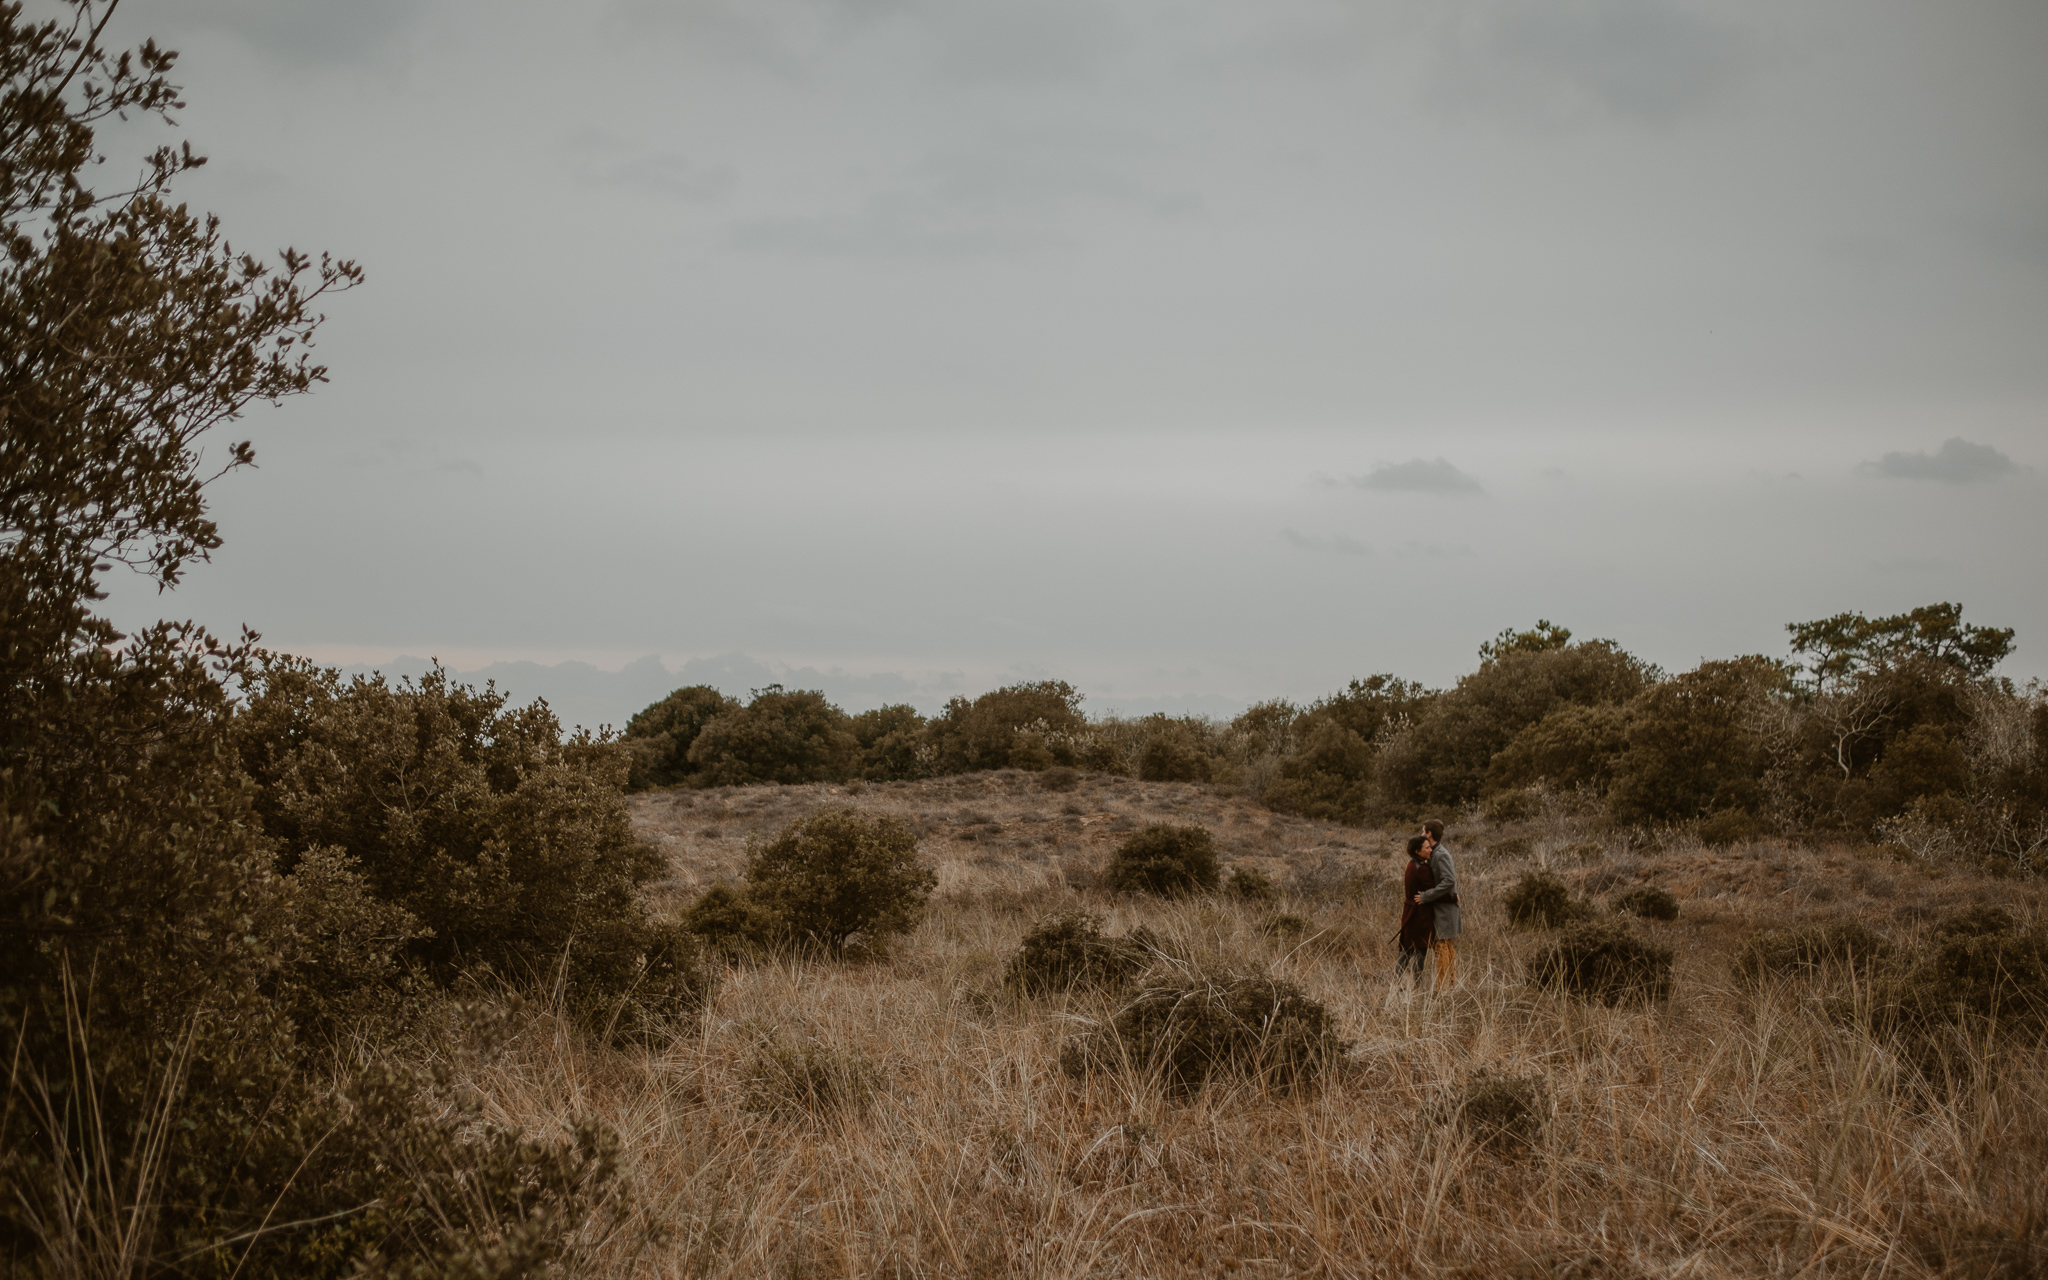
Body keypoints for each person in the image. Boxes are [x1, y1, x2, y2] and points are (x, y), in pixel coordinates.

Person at [1412, 819, 1460, 988]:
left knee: (1442, 947)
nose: (1421, 833)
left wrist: (1427, 896)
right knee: (1445, 947)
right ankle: (1449, 984)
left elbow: (1448, 880)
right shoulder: (1435, 853)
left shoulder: (1441, 855)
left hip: (1444, 910)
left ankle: (1443, 986)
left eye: (1423, 831)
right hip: (1442, 907)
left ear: (1429, 834)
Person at [1394, 834, 1436, 983]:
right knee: (1419, 951)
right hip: (1420, 915)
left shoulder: (1412, 864)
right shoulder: (1421, 868)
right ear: (1418, 851)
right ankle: (1416, 987)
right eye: (1427, 847)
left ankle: (1396, 984)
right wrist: (1452, 897)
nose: (1431, 850)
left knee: (1407, 951)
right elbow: (1433, 891)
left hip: (1410, 912)